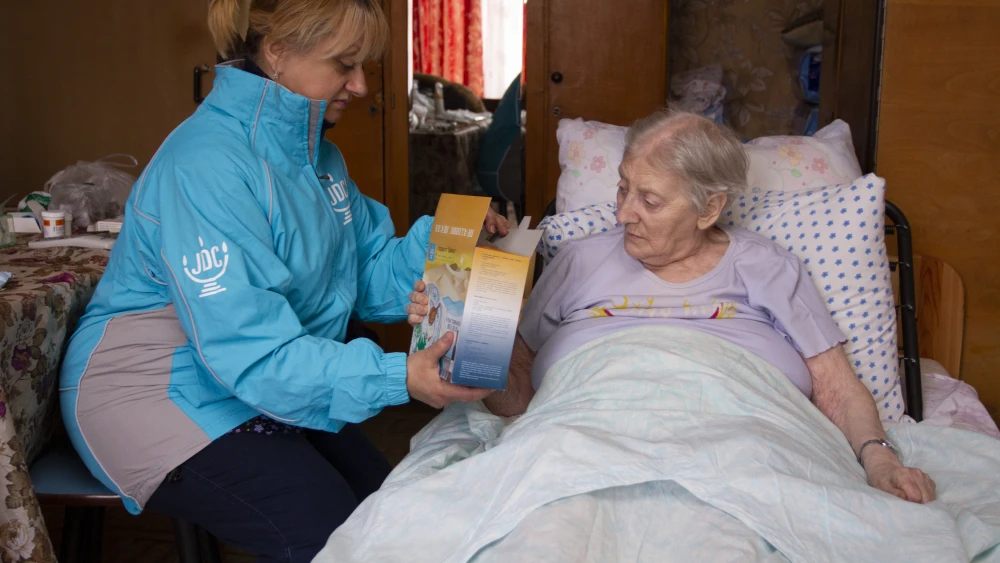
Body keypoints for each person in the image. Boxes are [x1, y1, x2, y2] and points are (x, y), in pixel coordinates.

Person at [58, 0, 505, 560]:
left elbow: (363, 278)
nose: (362, 85)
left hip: (253, 383)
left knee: (391, 505)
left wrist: (447, 240)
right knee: (336, 535)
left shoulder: (318, 159)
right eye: (345, 65)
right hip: (154, 397)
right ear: (277, 53)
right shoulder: (207, 166)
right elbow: (251, 351)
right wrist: (398, 377)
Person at [407, 109, 937, 505]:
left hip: (746, 444)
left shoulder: (768, 265)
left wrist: (877, 457)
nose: (623, 214)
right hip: (581, 439)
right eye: (621, 188)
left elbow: (837, 384)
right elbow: (514, 396)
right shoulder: (578, 259)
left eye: (650, 200)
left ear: (710, 207)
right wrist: (472, 319)